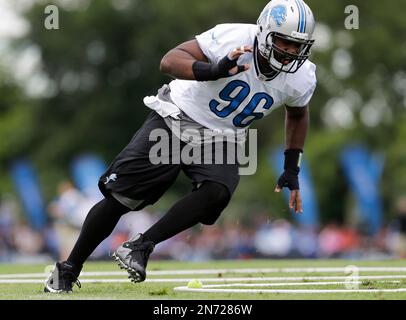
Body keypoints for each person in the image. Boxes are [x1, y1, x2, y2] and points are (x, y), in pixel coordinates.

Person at [45, 0, 317, 293]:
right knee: (122, 200)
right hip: (177, 116)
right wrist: (213, 69)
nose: (289, 53)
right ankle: (68, 269)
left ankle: (141, 246)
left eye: (296, 46)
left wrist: (291, 166)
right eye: (284, 42)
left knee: (218, 191)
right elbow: (169, 61)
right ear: (264, 32)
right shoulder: (233, 37)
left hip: (220, 135)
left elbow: (298, 114)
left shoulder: (302, 77)